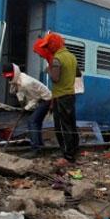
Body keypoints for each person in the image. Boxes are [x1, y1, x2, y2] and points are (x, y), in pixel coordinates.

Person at [34, 32, 79, 165]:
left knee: (61, 127)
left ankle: (67, 157)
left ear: (54, 44)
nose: (47, 48)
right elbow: (78, 73)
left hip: (61, 96)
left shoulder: (57, 59)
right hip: (71, 95)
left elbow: (55, 78)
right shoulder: (72, 56)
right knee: (71, 125)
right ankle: (73, 152)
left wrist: (48, 70)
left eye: (48, 45)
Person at [1, 63, 52, 156]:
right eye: (7, 77)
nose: (9, 79)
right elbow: (18, 93)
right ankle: (40, 146)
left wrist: (26, 108)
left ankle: (35, 149)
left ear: (15, 73)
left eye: (10, 76)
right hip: (38, 99)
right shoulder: (16, 81)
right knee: (37, 122)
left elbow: (36, 98)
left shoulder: (25, 82)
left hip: (45, 99)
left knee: (32, 121)